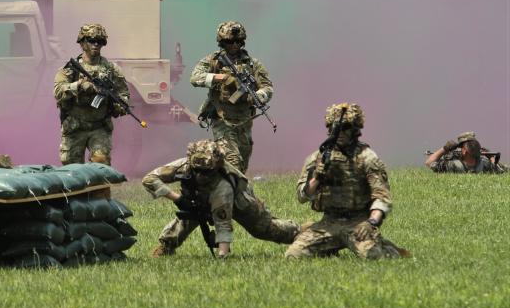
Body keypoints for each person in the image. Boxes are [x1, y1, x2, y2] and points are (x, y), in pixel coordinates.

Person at [285, 103, 407, 259]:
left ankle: (389, 249)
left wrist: (371, 222)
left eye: (346, 127)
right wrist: (317, 177)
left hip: (358, 223)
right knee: (293, 255)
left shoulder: (367, 157)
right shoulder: (318, 158)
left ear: (355, 129)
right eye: (336, 128)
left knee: (373, 256)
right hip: (328, 222)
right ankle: (328, 249)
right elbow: (303, 196)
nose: (340, 132)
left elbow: (382, 197)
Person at [143, 139, 298, 258]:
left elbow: (223, 224)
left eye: (206, 172)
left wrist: (222, 256)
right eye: (197, 171)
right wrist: (177, 198)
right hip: (199, 200)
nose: (200, 176)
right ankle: (167, 246)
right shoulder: (184, 166)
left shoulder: (223, 187)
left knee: (263, 229)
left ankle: (298, 233)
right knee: (190, 216)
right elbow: (150, 179)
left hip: (238, 203)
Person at [189, 21, 273, 173]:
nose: (234, 45)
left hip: (244, 121)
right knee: (232, 160)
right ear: (222, 42)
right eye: (229, 42)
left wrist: (259, 96)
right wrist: (221, 77)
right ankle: (228, 194)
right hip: (222, 119)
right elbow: (195, 78)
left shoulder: (253, 64)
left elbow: (267, 87)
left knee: (242, 163)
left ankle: (232, 191)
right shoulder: (213, 61)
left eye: (238, 41)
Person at [53, 24, 130, 165]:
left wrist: (120, 105)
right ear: (82, 43)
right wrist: (80, 86)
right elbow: (58, 91)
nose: (96, 44)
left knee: (101, 165)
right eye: (91, 40)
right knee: (72, 170)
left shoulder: (111, 69)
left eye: (100, 41)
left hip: (99, 127)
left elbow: (123, 92)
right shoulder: (71, 69)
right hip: (75, 127)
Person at [425, 132, 505, 174]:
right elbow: (500, 170)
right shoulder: (485, 164)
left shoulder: (452, 165)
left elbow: (429, 163)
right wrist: (491, 157)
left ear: (464, 151)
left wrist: (445, 149)